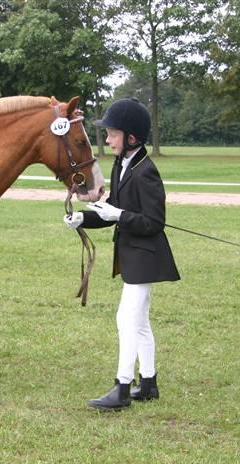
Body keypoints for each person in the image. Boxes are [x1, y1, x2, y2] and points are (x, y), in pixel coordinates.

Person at [64, 98, 180, 411]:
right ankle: (150, 382)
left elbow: (154, 223)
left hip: (146, 256)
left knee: (127, 318)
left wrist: (119, 216)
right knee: (138, 321)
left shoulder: (146, 172)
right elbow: (113, 208)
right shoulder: (122, 165)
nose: (107, 139)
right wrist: (83, 219)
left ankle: (123, 387)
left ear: (131, 137)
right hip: (132, 255)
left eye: (113, 134)